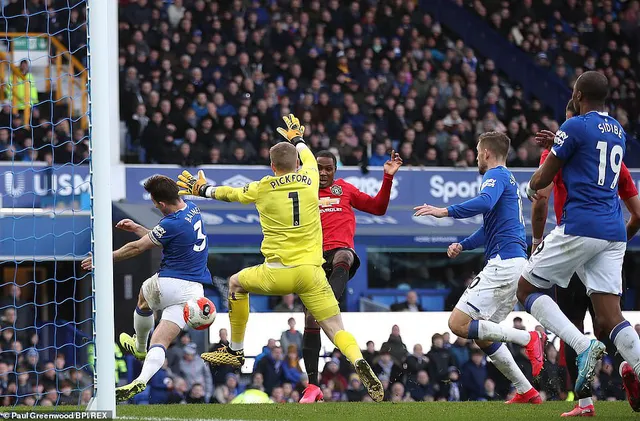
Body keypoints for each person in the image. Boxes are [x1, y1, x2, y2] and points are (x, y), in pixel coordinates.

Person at [176, 114, 384, 402]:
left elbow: (229, 194)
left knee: (236, 283)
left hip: (276, 273)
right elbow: (308, 154)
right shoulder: (311, 176)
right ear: (297, 164)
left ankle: (235, 350)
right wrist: (297, 137)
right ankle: (358, 359)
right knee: (335, 327)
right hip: (311, 274)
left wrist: (202, 190)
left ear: (273, 167)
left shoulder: (262, 187)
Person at [517, 71, 640, 410]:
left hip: (581, 225)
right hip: (614, 232)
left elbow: (544, 177)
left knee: (526, 289)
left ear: (579, 94)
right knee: (610, 317)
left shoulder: (574, 127)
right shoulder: (618, 131)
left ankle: (582, 347)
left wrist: (529, 188)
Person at [413, 131, 543, 404]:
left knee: (457, 323)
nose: (475, 157)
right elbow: (489, 228)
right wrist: (463, 244)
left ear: (486, 153)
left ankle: (527, 338)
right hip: (514, 263)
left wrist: (444, 211)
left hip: (503, 264)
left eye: (476, 151)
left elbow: (484, 203)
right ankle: (526, 391)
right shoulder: (508, 178)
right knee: (483, 336)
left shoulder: (494, 174)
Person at [81, 175, 211, 402]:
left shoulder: (171, 223)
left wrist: (102, 258)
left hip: (171, 282)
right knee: (160, 341)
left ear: (161, 204)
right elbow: (165, 237)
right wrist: (139, 228)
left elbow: (137, 248)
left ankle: (139, 345)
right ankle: (141, 379)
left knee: (143, 296)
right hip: (194, 292)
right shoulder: (192, 207)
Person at [300, 145, 402, 402]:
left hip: (338, 254)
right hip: (310, 260)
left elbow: (378, 208)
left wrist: (388, 177)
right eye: (319, 168)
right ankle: (312, 386)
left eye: (328, 169)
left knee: (345, 255)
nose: (323, 173)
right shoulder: (302, 190)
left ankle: (331, 300)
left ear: (335, 170)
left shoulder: (345, 189)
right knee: (311, 320)